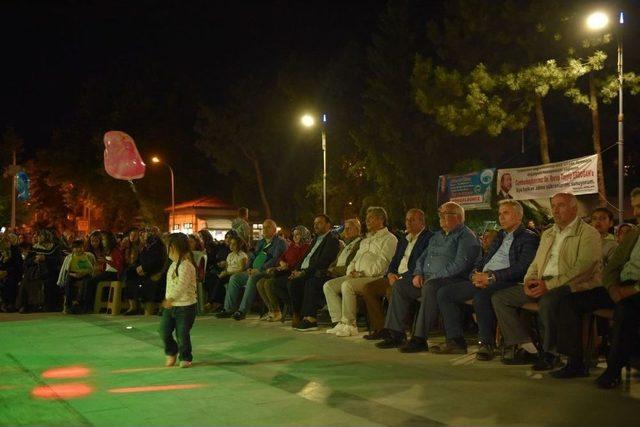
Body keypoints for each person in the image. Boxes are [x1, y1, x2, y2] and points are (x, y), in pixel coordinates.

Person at [492, 193, 602, 371]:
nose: (556, 210)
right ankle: (527, 347)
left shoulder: (588, 233)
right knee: (500, 298)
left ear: (574, 208)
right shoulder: (549, 233)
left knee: (548, 301)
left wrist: (549, 286)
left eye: (561, 205)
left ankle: (551, 353)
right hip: (542, 283)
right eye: (553, 206)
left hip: (570, 285)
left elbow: (583, 269)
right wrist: (529, 280)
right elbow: (536, 263)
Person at [433, 200, 539, 358]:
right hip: (485, 278)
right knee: (444, 293)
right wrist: (474, 275)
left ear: (518, 216)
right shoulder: (500, 236)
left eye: (506, 213)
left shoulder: (528, 237)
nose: (501, 217)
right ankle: (455, 341)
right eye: (500, 214)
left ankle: (486, 344)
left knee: (481, 295)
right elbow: (483, 261)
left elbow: (522, 268)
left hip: (506, 280)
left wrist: (492, 276)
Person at [375, 202, 481, 352]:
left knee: (431, 288)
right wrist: (418, 273)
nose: (441, 218)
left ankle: (419, 338)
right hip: (428, 279)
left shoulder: (466, 237)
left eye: (445, 215)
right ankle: (396, 334)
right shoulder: (437, 236)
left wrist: (434, 277)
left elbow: (460, 265)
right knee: (400, 285)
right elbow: (422, 258)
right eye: (440, 215)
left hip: (451, 281)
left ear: (457, 217)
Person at [323, 207, 398, 337]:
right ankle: (339, 322)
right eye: (367, 218)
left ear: (381, 220)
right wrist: (351, 270)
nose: (367, 221)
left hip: (374, 277)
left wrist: (362, 273)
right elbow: (355, 259)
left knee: (348, 285)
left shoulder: (389, 239)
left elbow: (383, 263)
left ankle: (350, 324)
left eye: (371, 218)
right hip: (357, 275)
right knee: (329, 286)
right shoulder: (366, 239)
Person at [359, 209, 432, 341]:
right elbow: (394, 260)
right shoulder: (404, 239)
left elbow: (423, 263)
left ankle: (398, 333)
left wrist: (403, 277)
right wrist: (391, 273)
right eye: (406, 219)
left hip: (412, 278)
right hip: (396, 276)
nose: (408, 222)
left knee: (393, 290)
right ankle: (381, 328)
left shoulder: (429, 238)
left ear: (422, 221)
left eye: (412, 220)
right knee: (368, 289)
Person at [594, 188, 640, 388]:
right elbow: (613, 266)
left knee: (624, 311)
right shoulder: (635, 234)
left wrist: (632, 290)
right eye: (635, 207)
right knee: (573, 298)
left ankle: (613, 371)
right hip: (621, 286)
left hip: (636, 290)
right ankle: (575, 360)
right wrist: (612, 287)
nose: (636, 212)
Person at [276, 215, 341, 329]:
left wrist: (304, 273)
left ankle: (310, 318)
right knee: (278, 282)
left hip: (316, 273)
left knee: (299, 283)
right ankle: (296, 311)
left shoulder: (332, 240)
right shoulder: (315, 240)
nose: (315, 225)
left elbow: (323, 261)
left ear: (328, 225)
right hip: (303, 271)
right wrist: (296, 270)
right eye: (315, 223)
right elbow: (304, 258)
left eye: (319, 223)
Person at [217, 219, 287, 320]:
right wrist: (248, 268)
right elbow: (253, 256)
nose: (265, 229)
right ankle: (228, 309)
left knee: (252, 278)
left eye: (268, 227)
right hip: (253, 270)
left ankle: (242, 311)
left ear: (275, 229)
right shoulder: (261, 242)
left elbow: (275, 259)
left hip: (267, 270)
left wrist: (259, 269)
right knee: (234, 278)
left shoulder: (279, 242)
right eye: (263, 227)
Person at [256, 225, 311, 321]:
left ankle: (279, 311)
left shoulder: (306, 247)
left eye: (298, 234)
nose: (295, 237)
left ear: (303, 235)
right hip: (283, 270)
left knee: (269, 283)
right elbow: (282, 257)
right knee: (260, 283)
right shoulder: (292, 246)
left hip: (292, 272)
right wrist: (281, 263)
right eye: (294, 235)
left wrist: (287, 266)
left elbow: (300, 262)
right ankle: (271, 310)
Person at [159, 233, 198, 368]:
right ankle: (171, 351)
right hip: (171, 306)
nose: (168, 251)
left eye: (170, 248)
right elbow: (169, 285)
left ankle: (185, 356)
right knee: (163, 330)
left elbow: (182, 285)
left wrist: (171, 298)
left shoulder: (186, 266)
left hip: (186, 307)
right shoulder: (172, 266)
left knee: (182, 333)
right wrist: (168, 299)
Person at [123, 228, 168, 315]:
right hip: (145, 271)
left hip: (156, 272)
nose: (141, 236)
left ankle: (149, 310)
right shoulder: (146, 246)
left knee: (148, 282)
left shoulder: (158, 246)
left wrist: (144, 268)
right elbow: (139, 260)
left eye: (143, 234)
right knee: (129, 273)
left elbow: (158, 261)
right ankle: (133, 306)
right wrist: (137, 268)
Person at [16, 229, 62, 313]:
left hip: (50, 271)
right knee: (27, 280)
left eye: (40, 236)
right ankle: (27, 305)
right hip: (35, 271)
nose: (38, 237)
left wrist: (45, 258)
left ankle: (44, 305)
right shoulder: (34, 248)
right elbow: (27, 262)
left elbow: (58, 260)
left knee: (47, 282)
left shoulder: (54, 247)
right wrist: (34, 259)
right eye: (38, 236)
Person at [84, 231, 124, 313]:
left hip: (114, 274)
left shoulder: (115, 251)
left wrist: (106, 261)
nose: (102, 241)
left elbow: (119, 266)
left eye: (103, 240)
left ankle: (88, 306)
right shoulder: (108, 250)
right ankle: (87, 304)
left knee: (90, 282)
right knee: (89, 280)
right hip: (107, 273)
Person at [58, 240, 96, 314]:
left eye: (81, 247)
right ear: (73, 249)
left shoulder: (89, 255)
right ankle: (68, 305)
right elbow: (66, 271)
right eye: (76, 248)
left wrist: (83, 273)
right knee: (68, 281)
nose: (79, 249)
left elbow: (92, 269)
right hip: (73, 274)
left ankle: (83, 305)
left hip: (86, 274)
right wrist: (74, 274)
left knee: (87, 282)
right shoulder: (69, 257)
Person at [0, 233, 23, 312]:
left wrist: (6, 271)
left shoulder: (15, 251)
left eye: (9, 240)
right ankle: (3, 303)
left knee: (10, 282)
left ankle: (10, 303)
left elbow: (18, 266)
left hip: (14, 273)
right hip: (5, 272)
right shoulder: (4, 251)